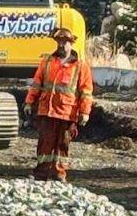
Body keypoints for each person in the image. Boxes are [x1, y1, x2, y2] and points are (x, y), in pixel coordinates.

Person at [23, 27, 93, 182]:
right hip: (47, 111)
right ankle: (41, 174)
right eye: (59, 42)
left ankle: (59, 174)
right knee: (45, 143)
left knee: (63, 144)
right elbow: (36, 84)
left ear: (71, 43)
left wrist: (85, 112)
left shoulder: (80, 66)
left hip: (67, 112)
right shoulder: (47, 62)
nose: (61, 45)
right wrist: (29, 102)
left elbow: (86, 91)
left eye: (65, 42)